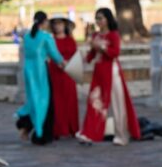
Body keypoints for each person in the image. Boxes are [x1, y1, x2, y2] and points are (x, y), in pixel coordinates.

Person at [76, 8, 142, 146]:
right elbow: (91, 55)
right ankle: (89, 133)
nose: (99, 21)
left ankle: (121, 135)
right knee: (94, 102)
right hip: (99, 72)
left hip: (112, 71)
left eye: (101, 18)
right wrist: (83, 59)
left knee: (118, 103)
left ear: (108, 19)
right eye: (97, 19)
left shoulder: (113, 35)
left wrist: (101, 47)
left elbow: (115, 53)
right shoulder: (95, 35)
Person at [15, 11, 65, 145]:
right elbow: (54, 54)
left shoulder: (27, 37)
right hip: (41, 71)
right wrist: (63, 62)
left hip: (29, 72)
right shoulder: (45, 37)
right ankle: (40, 133)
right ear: (45, 22)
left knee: (32, 99)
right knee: (44, 101)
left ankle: (25, 125)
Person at [48, 17, 80, 138]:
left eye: (60, 24)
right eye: (55, 24)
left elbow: (75, 55)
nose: (57, 26)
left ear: (65, 25)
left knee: (70, 100)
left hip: (69, 72)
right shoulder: (51, 41)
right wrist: (58, 62)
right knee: (56, 101)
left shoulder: (71, 41)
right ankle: (58, 129)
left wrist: (67, 63)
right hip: (55, 72)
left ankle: (72, 128)